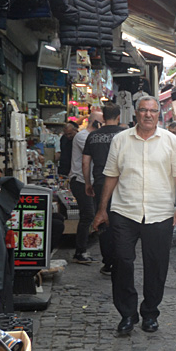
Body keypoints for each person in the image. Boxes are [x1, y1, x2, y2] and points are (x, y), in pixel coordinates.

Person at [92, 96, 176, 335]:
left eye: (153, 111)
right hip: (125, 211)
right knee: (122, 261)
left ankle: (150, 312)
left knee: (156, 265)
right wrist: (102, 209)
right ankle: (127, 314)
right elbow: (111, 175)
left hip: (160, 213)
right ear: (135, 113)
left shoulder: (171, 141)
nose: (148, 115)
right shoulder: (120, 140)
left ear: (160, 114)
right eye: (143, 110)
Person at [82, 103, 124, 276]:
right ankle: (122, 260)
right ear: (119, 117)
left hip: (100, 182)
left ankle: (108, 263)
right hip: (123, 184)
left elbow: (85, 162)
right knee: (122, 221)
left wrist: (87, 183)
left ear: (103, 118)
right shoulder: (125, 135)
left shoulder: (93, 136)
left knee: (103, 221)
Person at [69, 112, 103, 264]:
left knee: (91, 214)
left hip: (90, 181)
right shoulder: (83, 136)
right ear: (96, 123)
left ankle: (83, 249)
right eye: (102, 123)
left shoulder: (92, 136)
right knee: (88, 215)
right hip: (81, 181)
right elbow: (96, 154)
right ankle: (79, 251)